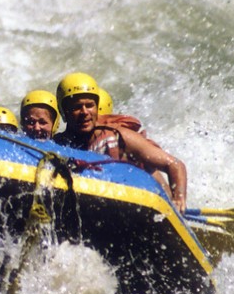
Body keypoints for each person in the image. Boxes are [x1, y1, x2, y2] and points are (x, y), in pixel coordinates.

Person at [52, 72, 188, 211]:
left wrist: (179, 200)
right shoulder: (59, 144)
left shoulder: (119, 137)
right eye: (77, 107)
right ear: (65, 112)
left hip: (146, 205)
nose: (85, 112)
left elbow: (175, 165)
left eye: (90, 105)